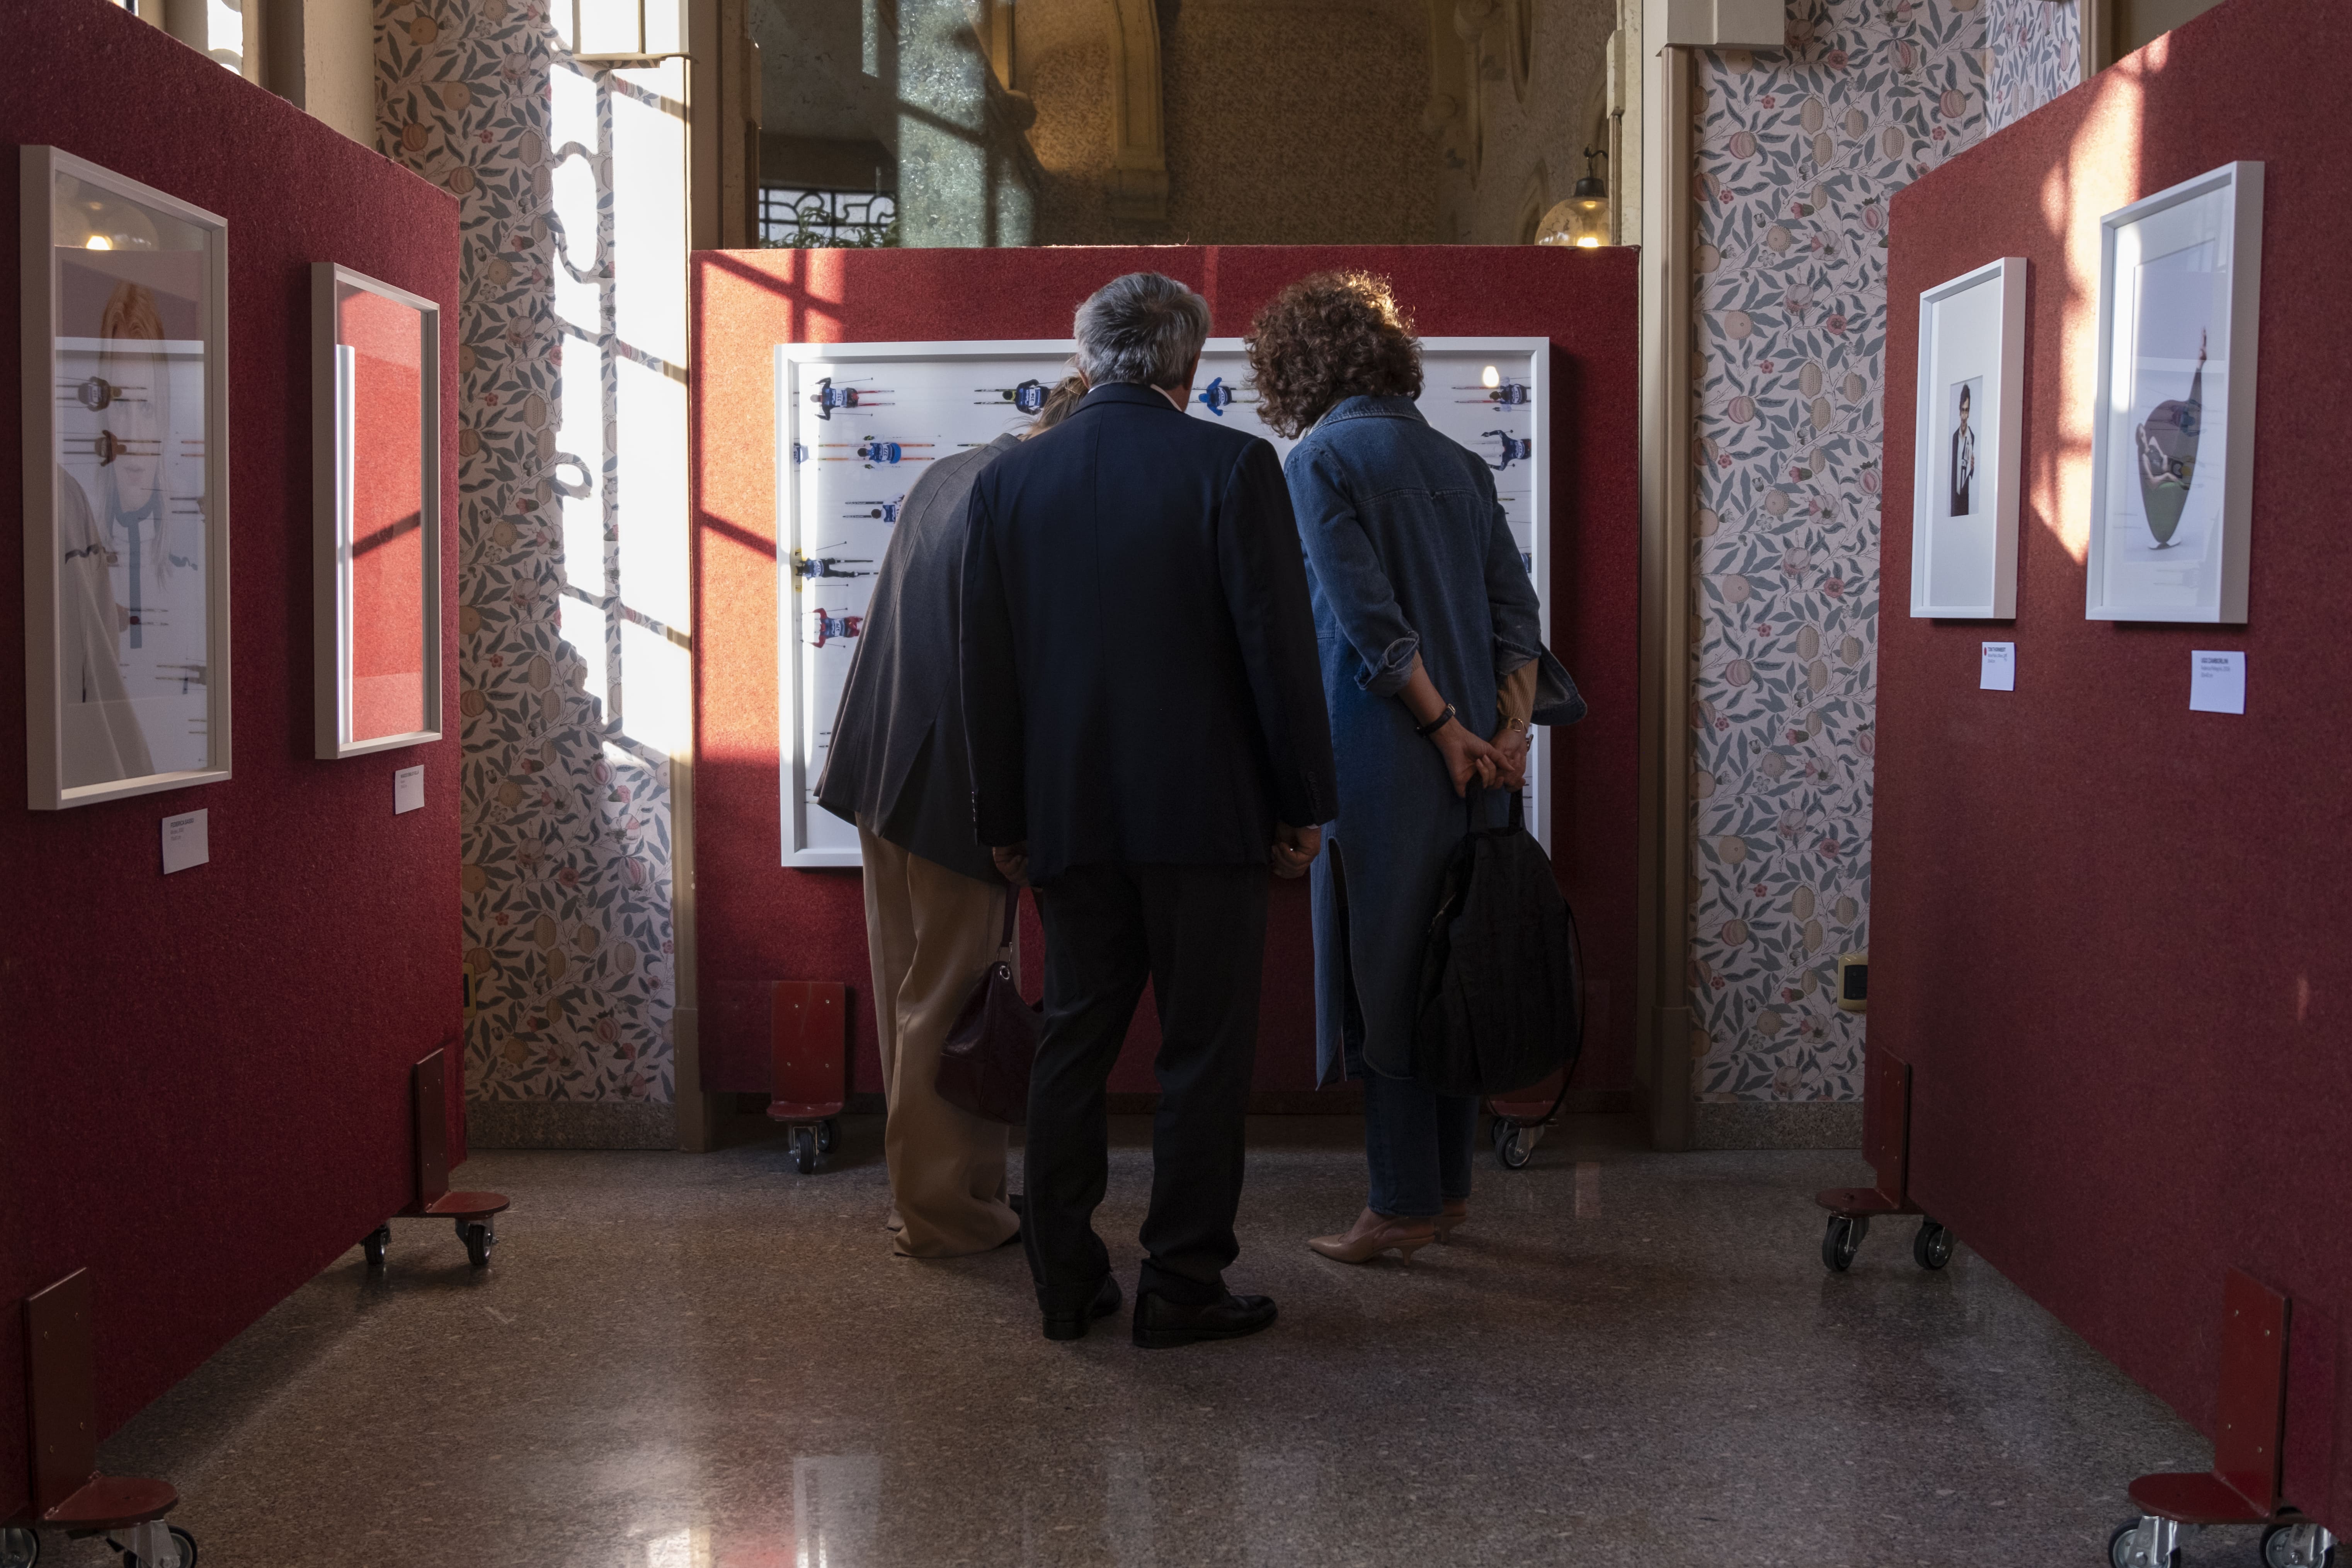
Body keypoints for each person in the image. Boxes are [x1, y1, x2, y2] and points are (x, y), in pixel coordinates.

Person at [959, 272, 1337, 1347]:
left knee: (1071, 1044)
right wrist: (1301, 799)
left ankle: (1064, 1282)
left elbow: (983, 667)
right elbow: (1276, 648)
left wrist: (1004, 817)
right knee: (1202, 1055)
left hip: (1068, 817)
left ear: (1085, 357)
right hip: (1205, 815)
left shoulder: (1009, 484)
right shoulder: (1228, 464)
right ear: (1189, 363)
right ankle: (1180, 1283)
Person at [1244, 271, 1583, 1265]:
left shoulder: (1318, 459)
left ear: (1297, 368)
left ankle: (1396, 1203)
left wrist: (1441, 731)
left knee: (1389, 970)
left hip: (1389, 758)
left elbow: (1367, 626)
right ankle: (1446, 1189)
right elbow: (1517, 618)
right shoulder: (1459, 463)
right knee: (1459, 961)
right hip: (1483, 764)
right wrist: (1505, 735)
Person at [815, 375, 1086, 1258]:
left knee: (916, 995)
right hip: (954, 791)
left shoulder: (952, 475)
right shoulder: (1026, 499)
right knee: (954, 999)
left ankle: (939, 1191)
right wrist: (1012, 815)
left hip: (880, 770)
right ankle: (946, 1214)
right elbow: (1007, 673)